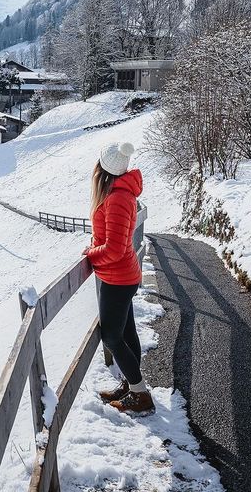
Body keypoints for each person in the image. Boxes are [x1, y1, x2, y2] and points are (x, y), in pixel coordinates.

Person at [83, 141, 155, 415]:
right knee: (126, 332)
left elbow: (114, 248)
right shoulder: (119, 194)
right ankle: (131, 385)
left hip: (118, 277)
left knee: (112, 336)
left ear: (102, 170)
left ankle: (140, 394)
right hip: (120, 275)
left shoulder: (117, 198)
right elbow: (115, 240)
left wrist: (91, 252)